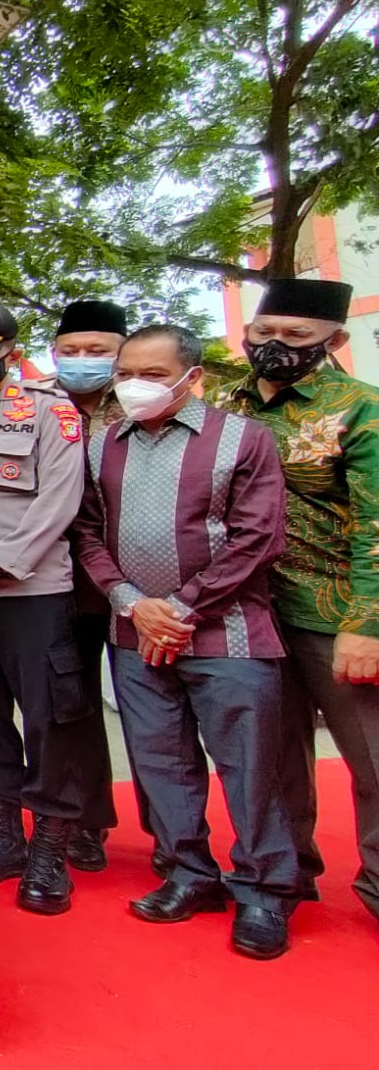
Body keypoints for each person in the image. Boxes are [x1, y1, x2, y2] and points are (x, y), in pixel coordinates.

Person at [74, 324, 300, 959]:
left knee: (250, 767)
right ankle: (188, 872)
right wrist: (130, 603)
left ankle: (263, 890)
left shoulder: (243, 439)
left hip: (228, 634)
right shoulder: (103, 444)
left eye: (152, 374)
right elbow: (88, 532)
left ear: (192, 377)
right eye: (127, 373)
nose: (134, 386)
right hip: (133, 632)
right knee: (160, 761)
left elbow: (259, 539)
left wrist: (179, 608)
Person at [213, 278, 379, 935]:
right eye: (264, 332)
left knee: (371, 761)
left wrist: (366, 623)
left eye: (296, 337)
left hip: (336, 615)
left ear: (333, 341)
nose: (275, 346)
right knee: (271, 759)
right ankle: (281, 880)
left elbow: (376, 523)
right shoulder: (231, 406)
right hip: (250, 610)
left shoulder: (360, 410)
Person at [0, 302, 102, 915]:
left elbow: (59, 502)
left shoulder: (50, 412)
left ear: (10, 353)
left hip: (31, 593)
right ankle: (4, 838)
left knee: (49, 721)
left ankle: (50, 850)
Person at [43, 300, 130, 874]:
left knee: (156, 718)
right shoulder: (34, 405)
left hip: (141, 590)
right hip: (59, 583)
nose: (82, 361)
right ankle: (83, 820)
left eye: (98, 351)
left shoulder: (145, 406)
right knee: (71, 707)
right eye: (70, 351)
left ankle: (178, 842)